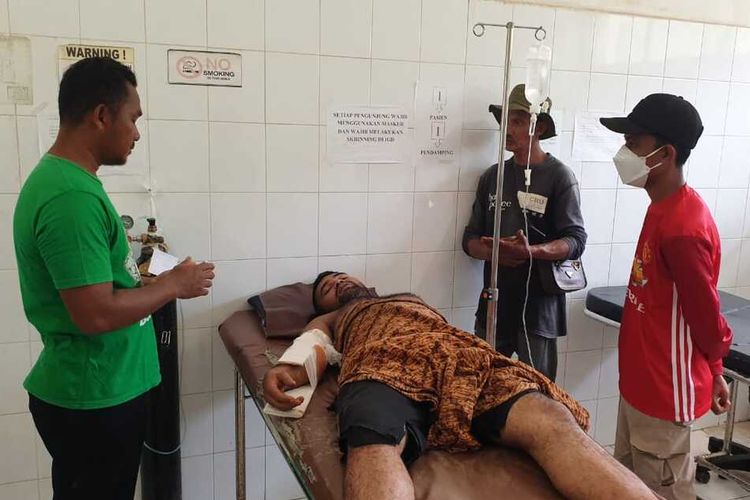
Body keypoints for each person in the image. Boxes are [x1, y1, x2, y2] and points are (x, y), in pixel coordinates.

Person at [264, 271, 658, 500]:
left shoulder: (408, 296)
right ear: (324, 305)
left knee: (552, 418)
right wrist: (287, 372)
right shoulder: (336, 319)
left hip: (461, 356)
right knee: (371, 441)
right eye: (328, 287)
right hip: (381, 362)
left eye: (341, 276)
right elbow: (310, 348)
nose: (339, 282)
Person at [13, 57, 215, 500]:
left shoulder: (74, 184)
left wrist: (153, 280)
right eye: (133, 118)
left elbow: (102, 289)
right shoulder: (71, 197)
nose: (137, 133)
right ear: (101, 115)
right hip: (94, 397)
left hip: (103, 389)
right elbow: (95, 315)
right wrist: (171, 287)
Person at [599, 93, 733, 499]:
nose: (624, 152)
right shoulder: (661, 207)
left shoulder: (684, 228)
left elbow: (705, 317)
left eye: (634, 143)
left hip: (663, 391)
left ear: (665, 154)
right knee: (626, 484)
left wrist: (713, 368)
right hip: (640, 382)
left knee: (662, 491)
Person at [463, 84, 587, 380]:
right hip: (495, 304)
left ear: (539, 127)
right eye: (506, 121)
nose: (508, 129)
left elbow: (576, 241)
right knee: (483, 386)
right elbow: (469, 240)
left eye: (517, 121)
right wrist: (496, 252)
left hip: (539, 309)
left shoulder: (559, 177)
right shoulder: (493, 177)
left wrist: (530, 253)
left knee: (537, 394)